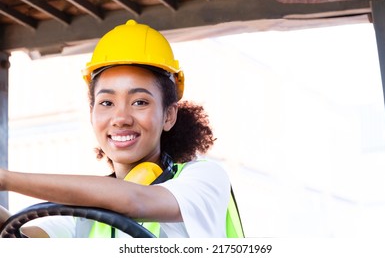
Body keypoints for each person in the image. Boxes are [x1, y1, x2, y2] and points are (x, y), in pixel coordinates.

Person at [0, 20, 243, 238]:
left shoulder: (203, 179)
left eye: (140, 102)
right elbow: (18, 238)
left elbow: (134, 199)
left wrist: (5, 179)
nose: (120, 118)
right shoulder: (82, 213)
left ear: (169, 115)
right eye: (106, 102)